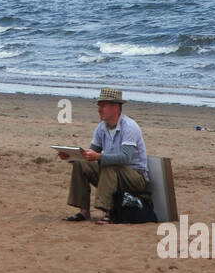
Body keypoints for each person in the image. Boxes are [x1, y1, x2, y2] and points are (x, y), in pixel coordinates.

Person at [57, 87, 150, 224]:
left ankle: (108, 212)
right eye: (99, 106)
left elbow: (126, 157)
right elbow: (89, 155)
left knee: (108, 165)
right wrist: (71, 157)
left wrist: (99, 157)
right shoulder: (101, 127)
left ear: (116, 107)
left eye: (103, 106)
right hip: (113, 175)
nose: (99, 109)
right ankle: (84, 211)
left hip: (136, 177)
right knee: (81, 165)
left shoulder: (129, 126)